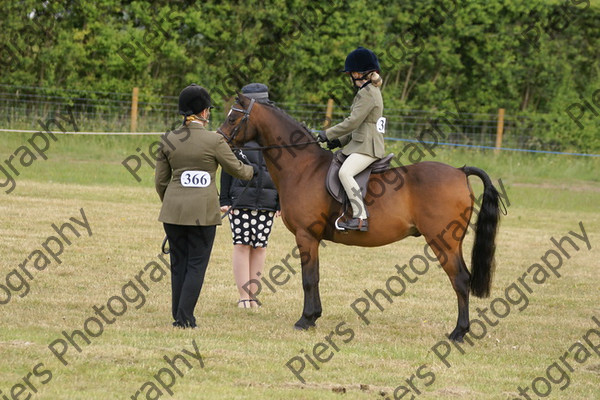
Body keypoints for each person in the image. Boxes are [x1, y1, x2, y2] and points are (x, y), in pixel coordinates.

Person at [155, 83, 255, 328]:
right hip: (203, 214)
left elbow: (160, 181)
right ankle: (185, 319)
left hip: (173, 212)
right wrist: (251, 167)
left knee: (178, 263)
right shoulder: (215, 141)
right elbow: (240, 172)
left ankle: (178, 315)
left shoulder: (168, 139)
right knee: (196, 264)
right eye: (207, 110)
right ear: (202, 113)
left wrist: (171, 203)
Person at [219, 83, 280, 309]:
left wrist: (280, 201)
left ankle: (253, 295)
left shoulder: (276, 134)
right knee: (242, 244)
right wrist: (224, 199)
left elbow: (283, 172)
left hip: (268, 200)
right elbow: (226, 166)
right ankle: (243, 296)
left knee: (260, 246)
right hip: (240, 198)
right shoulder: (237, 132)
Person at [317, 46, 385, 232]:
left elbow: (353, 122)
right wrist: (339, 141)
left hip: (368, 147)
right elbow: (361, 126)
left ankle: (360, 217)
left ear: (357, 73)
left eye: (350, 73)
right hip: (362, 142)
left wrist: (327, 133)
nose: (350, 77)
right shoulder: (367, 91)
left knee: (345, 173)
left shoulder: (367, 93)